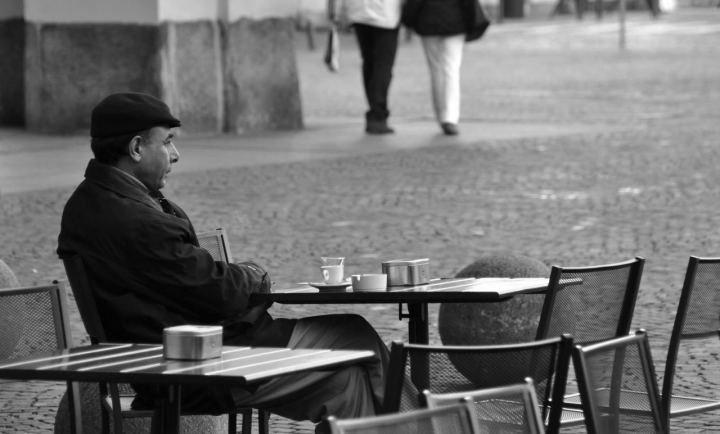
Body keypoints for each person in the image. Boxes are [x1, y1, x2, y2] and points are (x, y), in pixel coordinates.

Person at [56, 93, 389, 433]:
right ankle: (427, 423)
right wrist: (253, 273)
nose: (175, 155)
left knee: (349, 384)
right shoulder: (137, 221)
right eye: (168, 143)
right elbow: (221, 293)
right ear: (137, 148)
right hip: (197, 364)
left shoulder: (89, 202)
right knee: (354, 334)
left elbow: (196, 282)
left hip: (180, 353)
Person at [402, 0, 490, 135]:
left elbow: (414, 4)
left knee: (436, 71)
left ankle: (442, 116)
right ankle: (449, 117)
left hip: (429, 24)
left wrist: (410, 21)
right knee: (451, 71)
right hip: (455, 24)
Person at [332, 0, 402, 134]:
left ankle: (375, 111)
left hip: (360, 13)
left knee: (369, 62)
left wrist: (339, 12)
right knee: (382, 65)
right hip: (386, 15)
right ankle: (377, 113)